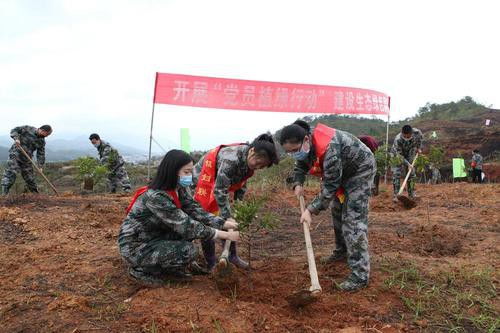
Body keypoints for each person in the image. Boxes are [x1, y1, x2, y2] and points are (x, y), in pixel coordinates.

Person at [118, 150, 240, 287]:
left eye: (190, 171)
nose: (190, 176)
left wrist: (224, 223)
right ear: (172, 172)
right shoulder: (156, 197)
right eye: (186, 172)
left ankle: (172, 268)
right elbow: (187, 226)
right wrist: (222, 233)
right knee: (189, 250)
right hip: (136, 245)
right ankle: (139, 270)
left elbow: (196, 211)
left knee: (187, 237)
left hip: (155, 235)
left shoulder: (179, 189)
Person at [279, 120, 376, 291]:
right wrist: (298, 183)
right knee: (337, 211)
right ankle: (342, 252)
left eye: (295, 150)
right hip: (342, 171)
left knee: (352, 221)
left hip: (360, 170)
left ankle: (360, 275)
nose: (294, 154)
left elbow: (330, 186)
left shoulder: (330, 147)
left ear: (306, 140)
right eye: (289, 152)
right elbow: (300, 164)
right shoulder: (306, 147)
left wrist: (310, 210)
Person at [192, 134, 279, 271]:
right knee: (208, 220)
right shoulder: (230, 160)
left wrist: (238, 207)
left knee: (229, 218)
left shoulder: (248, 160)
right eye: (258, 162)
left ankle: (232, 256)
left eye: (262, 166)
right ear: (252, 151)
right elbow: (220, 190)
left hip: (218, 184)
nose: (258, 167)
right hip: (203, 182)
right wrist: (228, 216)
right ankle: (211, 262)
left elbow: (241, 184)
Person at [1, 125, 52, 195]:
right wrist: (16, 139)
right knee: (11, 173)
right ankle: (4, 194)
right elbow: (14, 130)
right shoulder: (28, 129)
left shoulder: (41, 141)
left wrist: (40, 166)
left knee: (30, 178)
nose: (46, 136)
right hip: (16, 155)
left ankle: (36, 195)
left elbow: (41, 154)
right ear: (41, 130)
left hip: (27, 159)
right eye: (47, 134)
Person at [391, 125, 423, 201]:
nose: (407, 138)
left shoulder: (417, 133)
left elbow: (420, 140)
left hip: (410, 152)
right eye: (405, 137)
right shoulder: (398, 139)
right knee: (396, 174)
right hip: (397, 155)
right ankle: (396, 195)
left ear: (411, 133)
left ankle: (412, 194)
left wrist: (418, 148)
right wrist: (408, 164)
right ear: (402, 133)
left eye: (408, 137)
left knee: (411, 173)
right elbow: (400, 156)